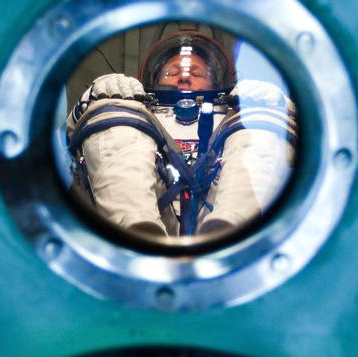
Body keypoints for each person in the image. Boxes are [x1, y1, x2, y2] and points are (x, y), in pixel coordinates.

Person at [66, 29, 296, 240]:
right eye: (172, 72)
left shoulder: (236, 114)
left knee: (263, 122)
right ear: (156, 80)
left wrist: (279, 106)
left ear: (215, 82)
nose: (184, 77)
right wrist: (90, 103)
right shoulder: (134, 112)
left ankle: (232, 232)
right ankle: (137, 234)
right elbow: (65, 148)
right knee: (111, 114)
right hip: (148, 219)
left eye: (196, 73)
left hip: (222, 214)